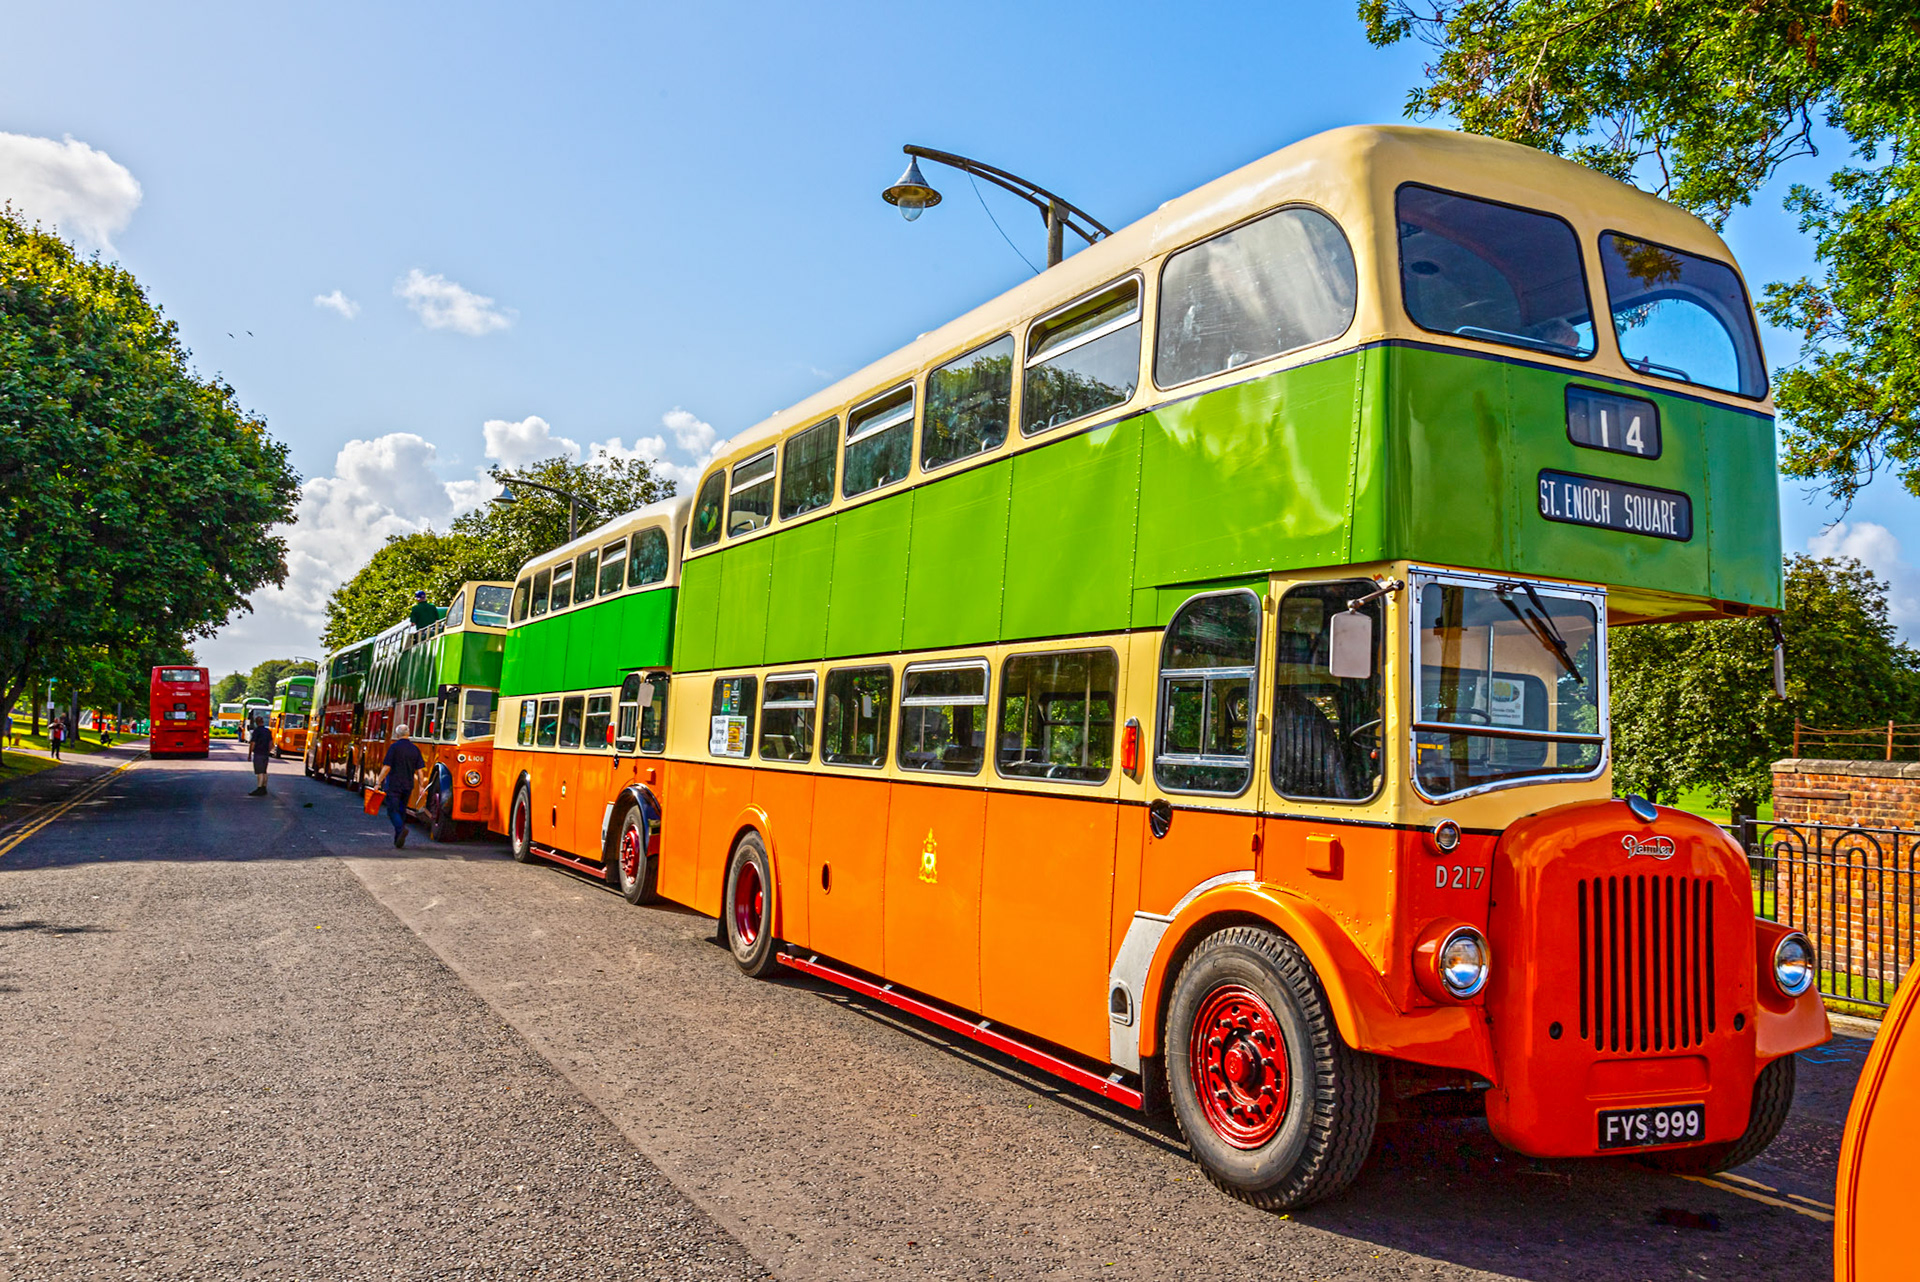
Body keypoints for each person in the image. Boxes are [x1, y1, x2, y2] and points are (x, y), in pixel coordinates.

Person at [373, 724, 425, 848]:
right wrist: (422, 786)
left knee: (392, 810)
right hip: (408, 785)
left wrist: (378, 782)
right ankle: (398, 840)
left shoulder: (394, 748)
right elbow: (420, 771)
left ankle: (401, 829)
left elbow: (387, 767)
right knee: (402, 811)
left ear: (397, 734)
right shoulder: (415, 749)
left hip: (394, 784)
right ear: (408, 733)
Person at [247, 716, 272, 795]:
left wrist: (249, 754)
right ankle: (264, 788)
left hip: (258, 753)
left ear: (256, 722)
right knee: (264, 771)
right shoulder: (268, 731)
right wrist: (268, 751)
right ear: (263, 722)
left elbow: (253, 743)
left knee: (259, 772)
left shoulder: (256, 731)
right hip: (265, 754)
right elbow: (271, 743)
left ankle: (259, 788)